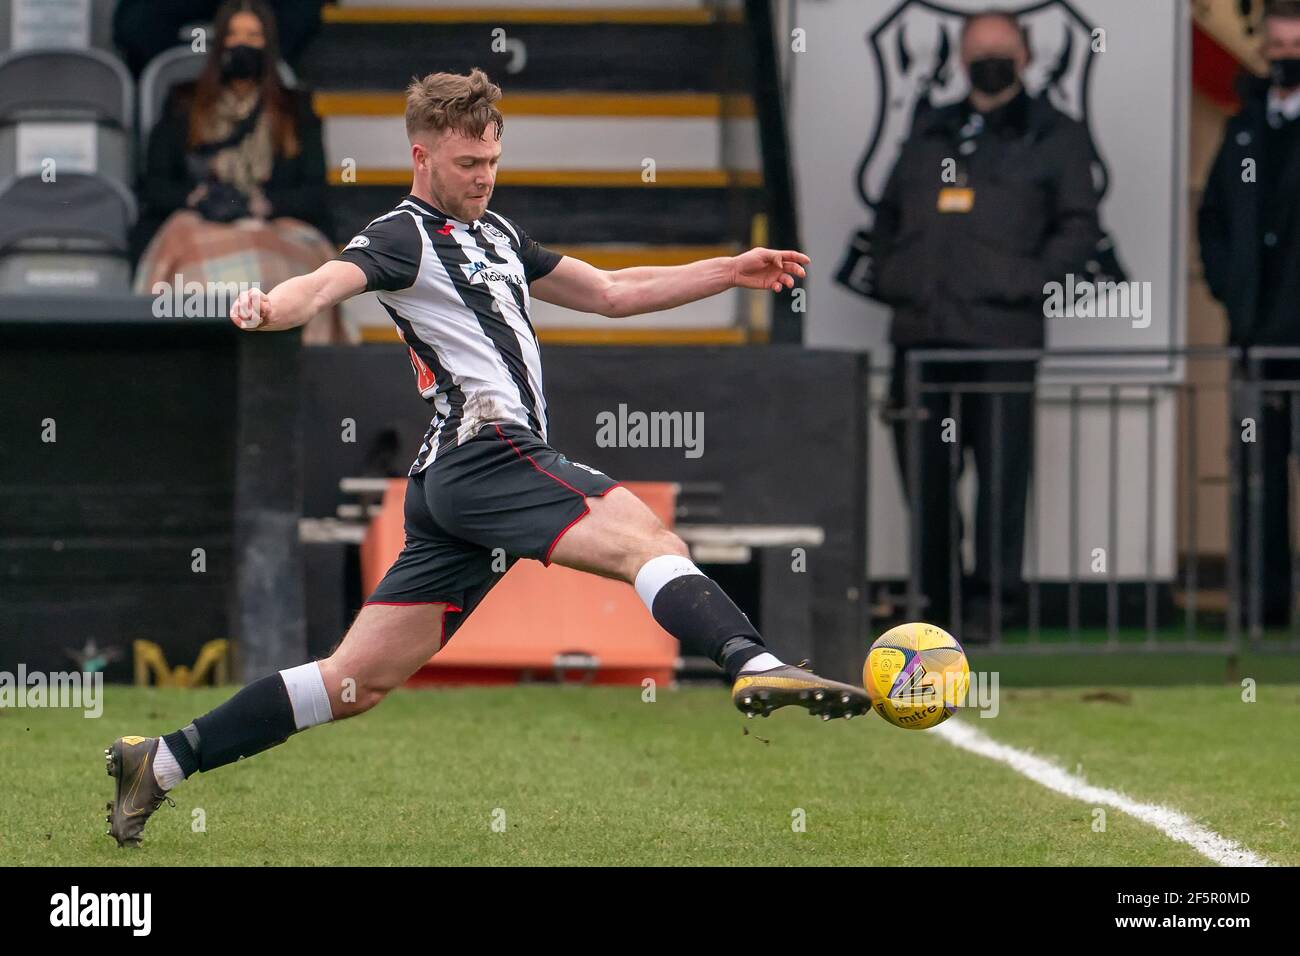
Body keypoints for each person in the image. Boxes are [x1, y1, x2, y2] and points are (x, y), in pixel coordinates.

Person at [103, 68, 865, 848]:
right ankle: (753, 658)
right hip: (487, 453)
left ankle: (159, 762)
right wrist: (271, 305)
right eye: (469, 165)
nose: (484, 179)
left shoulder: (499, 234)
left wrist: (728, 270)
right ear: (422, 155)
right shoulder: (400, 234)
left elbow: (608, 292)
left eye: (493, 162)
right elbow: (327, 281)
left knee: (351, 683)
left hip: (450, 490)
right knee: (648, 539)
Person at [871, 10, 1101, 640]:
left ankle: (995, 606)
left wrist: (1023, 282)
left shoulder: (1056, 133)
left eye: (1001, 50)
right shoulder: (930, 129)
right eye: (978, 51)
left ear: (1026, 57)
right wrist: (898, 277)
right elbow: (885, 217)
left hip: (1002, 340)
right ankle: (935, 601)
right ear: (960, 58)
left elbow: (1079, 227)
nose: (989, 61)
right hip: (921, 339)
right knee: (927, 480)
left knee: (1002, 478)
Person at [133, 0, 344, 343]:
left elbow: (314, 192)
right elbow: (154, 185)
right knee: (197, 271)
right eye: (232, 34)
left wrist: (262, 205)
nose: (241, 44)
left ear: (270, 44)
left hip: (275, 224)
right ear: (218, 44)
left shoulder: (295, 108)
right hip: (197, 223)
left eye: (253, 35)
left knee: (276, 273)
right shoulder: (183, 102)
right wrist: (196, 197)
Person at [1199, 0, 1300, 627]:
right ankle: (1262, 612)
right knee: (1257, 484)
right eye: (1278, 47)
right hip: (1256, 341)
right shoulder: (1244, 127)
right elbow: (1213, 220)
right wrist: (1232, 290)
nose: (1285, 58)